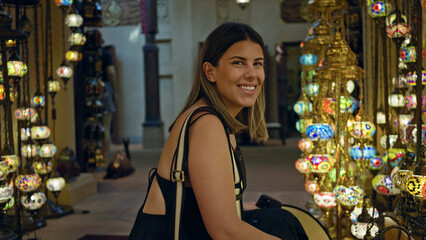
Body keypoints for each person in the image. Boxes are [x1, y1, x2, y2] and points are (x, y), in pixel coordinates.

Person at [129, 22, 308, 240]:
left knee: (279, 218)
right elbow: (224, 232)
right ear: (210, 71)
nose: (252, 74)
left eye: (257, 64)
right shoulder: (207, 124)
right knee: (282, 226)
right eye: (239, 63)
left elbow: (203, 205)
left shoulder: (219, 122)